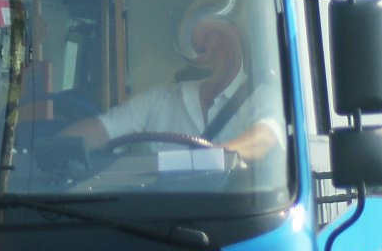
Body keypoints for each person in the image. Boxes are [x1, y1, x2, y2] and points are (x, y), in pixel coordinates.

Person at [62, 15, 283, 163]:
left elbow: (264, 138)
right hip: (156, 217)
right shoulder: (161, 97)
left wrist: (209, 160)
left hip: (234, 217)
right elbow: (104, 129)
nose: (207, 50)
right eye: (201, 44)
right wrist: (43, 151)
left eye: (216, 40)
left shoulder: (263, 96)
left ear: (234, 46)